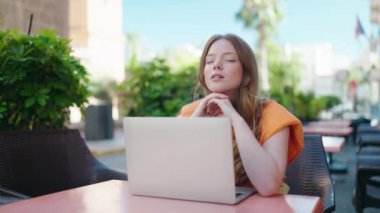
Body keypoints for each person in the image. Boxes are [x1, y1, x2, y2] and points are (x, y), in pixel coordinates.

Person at [179, 34, 303, 196]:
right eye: (209, 61)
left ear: (246, 75)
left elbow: (268, 186)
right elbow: (168, 174)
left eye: (229, 60)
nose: (216, 65)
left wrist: (236, 120)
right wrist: (194, 124)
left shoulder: (273, 114)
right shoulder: (190, 113)